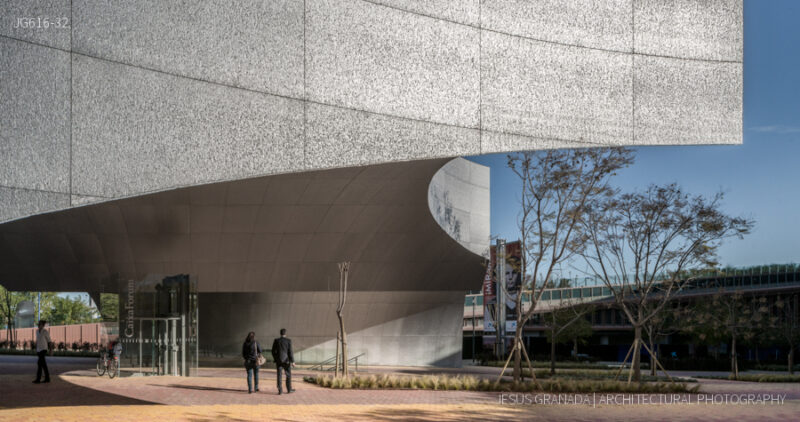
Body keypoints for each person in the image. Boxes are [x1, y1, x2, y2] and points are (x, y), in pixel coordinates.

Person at [271, 328, 295, 395]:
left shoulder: (276, 340)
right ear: (285, 333)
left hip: (279, 361)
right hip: (286, 361)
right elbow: (290, 352)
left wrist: (276, 358)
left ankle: (280, 390)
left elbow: (273, 351)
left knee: (279, 375)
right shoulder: (288, 341)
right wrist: (292, 361)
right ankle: (289, 389)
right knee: (288, 375)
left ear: (280, 333)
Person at [33, 320, 51, 384]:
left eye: (40, 324)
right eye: (38, 324)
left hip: (43, 349)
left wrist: (50, 350)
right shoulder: (37, 331)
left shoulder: (45, 331)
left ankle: (38, 379)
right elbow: (37, 341)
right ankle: (47, 378)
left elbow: (49, 341)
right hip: (39, 349)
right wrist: (36, 348)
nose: (38, 325)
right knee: (43, 365)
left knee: (39, 364)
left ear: (43, 325)